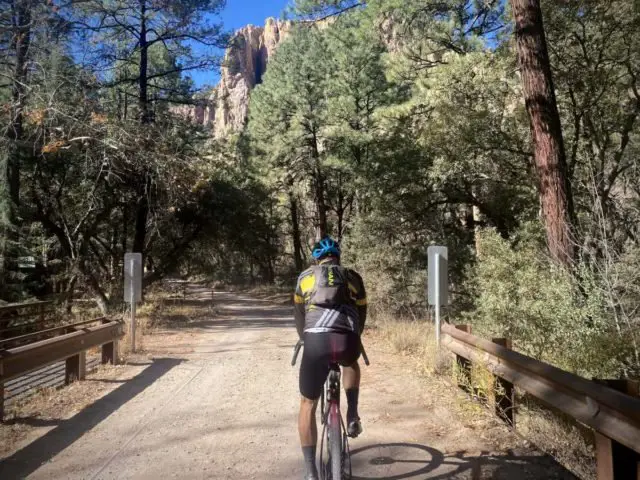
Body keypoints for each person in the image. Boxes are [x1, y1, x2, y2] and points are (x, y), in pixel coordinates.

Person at [294, 236, 367, 480]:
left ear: (317, 258)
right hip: (347, 340)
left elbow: (299, 315)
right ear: (338, 257)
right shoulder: (353, 277)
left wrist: (304, 339)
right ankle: (353, 413)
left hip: (315, 342)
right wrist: (356, 336)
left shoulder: (305, 278)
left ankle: (310, 472)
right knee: (351, 363)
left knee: (307, 404)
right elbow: (362, 311)